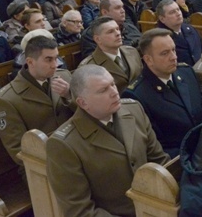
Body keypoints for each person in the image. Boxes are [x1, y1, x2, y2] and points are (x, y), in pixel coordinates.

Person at [46, 65, 169, 216]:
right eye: (103, 90)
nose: (114, 92)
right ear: (83, 103)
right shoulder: (64, 144)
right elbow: (80, 211)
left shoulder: (134, 109)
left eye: (112, 84)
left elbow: (160, 161)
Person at [122, 29, 202, 158]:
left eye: (173, 50)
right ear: (148, 60)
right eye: (165, 53)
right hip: (180, 161)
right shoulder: (136, 95)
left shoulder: (186, 72)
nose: (174, 57)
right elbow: (154, 146)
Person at [0, 36, 74, 166]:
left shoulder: (64, 75)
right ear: (30, 62)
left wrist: (69, 96)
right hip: (42, 163)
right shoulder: (7, 98)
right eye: (48, 60)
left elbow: (84, 113)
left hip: (75, 149)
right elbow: (18, 150)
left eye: (56, 58)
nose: (55, 64)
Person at [79, 16, 143, 93]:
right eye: (110, 31)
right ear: (97, 39)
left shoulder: (132, 51)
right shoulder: (89, 66)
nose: (118, 33)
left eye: (117, 29)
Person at [156, 0, 202, 66]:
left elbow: (201, 49)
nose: (178, 13)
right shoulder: (160, 38)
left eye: (178, 9)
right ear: (162, 19)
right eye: (172, 12)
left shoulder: (190, 29)